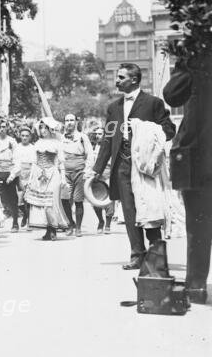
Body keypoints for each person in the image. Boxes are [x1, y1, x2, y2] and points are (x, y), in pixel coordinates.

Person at [91, 63, 175, 270]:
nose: (116, 81)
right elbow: (108, 140)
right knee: (129, 211)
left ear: (134, 80)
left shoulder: (153, 103)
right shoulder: (113, 107)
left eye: (121, 77)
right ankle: (137, 254)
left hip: (144, 165)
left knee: (150, 209)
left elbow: (169, 130)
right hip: (122, 164)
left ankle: (156, 258)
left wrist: (144, 128)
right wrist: (96, 170)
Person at [163, 57, 212, 304]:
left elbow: (172, 95)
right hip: (199, 156)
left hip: (199, 154)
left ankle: (195, 287)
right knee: (198, 226)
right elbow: (172, 96)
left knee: (198, 227)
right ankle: (195, 287)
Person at [24, 118, 69, 240]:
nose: (43, 130)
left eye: (45, 127)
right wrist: (30, 180)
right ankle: (48, 229)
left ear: (50, 129)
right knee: (42, 203)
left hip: (53, 174)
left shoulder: (57, 143)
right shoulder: (38, 143)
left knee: (51, 203)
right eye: (41, 128)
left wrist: (63, 178)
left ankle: (53, 229)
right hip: (40, 174)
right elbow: (34, 162)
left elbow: (60, 162)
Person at [60, 114, 94, 237]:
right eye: (67, 120)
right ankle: (70, 224)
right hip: (65, 172)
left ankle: (78, 228)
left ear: (76, 122)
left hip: (79, 171)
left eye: (71, 120)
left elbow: (90, 154)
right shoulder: (60, 138)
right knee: (64, 199)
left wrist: (87, 170)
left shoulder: (82, 137)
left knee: (78, 200)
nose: (69, 122)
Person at [0, 119, 20, 232]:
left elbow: (17, 159)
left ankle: (15, 222)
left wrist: (12, 175)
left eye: (4, 127)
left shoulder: (12, 141)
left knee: (13, 198)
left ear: (7, 128)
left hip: (9, 172)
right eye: (0, 127)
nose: (2, 129)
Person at [91, 127, 114, 234]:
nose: (98, 136)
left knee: (109, 200)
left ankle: (108, 224)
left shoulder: (110, 147)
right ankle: (101, 221)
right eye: (96, 134)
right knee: (95, 200)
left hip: (108, 175)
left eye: (100, 133)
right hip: (96, 177)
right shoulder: (94, 146)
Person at [14, 126, 37, 230]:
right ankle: (25, 215)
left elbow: (34, 164)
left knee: (28, 199)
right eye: (22, 135)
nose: (24, 138)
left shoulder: (33, 147)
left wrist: (31, 178)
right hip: (19, 173)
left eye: (27, 136)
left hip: (30, 173)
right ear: (20, 136)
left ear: (30, 137)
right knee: (19, 201)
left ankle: (29, 222)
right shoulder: (17, 147)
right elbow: (15, 162)